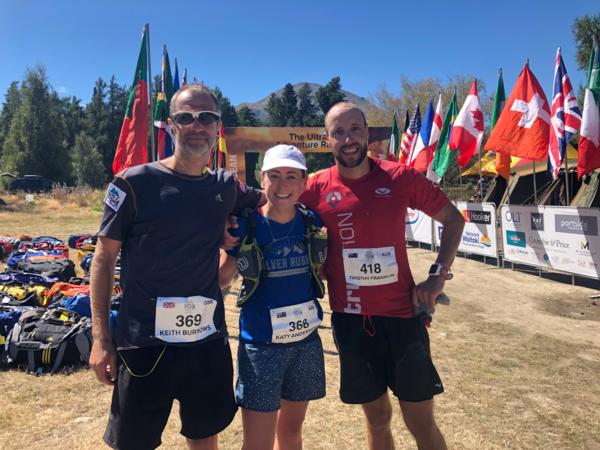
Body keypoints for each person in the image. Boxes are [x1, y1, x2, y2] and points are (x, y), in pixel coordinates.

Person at [89, 83, 263, 450]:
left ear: (218, 127)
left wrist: (233, 232)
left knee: (204, 435)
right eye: (186, 117)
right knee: (133, 442)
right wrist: (101, 338)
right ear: (171, 125)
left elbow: (276, 196)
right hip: (144, 342)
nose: (196, 125)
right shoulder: (134, 183)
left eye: (207, 117)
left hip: (205, 339)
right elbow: (103, 259)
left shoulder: (226, 186)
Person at [298, 102, 465, 450]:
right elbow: (275, 211)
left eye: (355, 129)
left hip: (403, 318)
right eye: (338, 132)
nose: (348, 139)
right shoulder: (314, 188)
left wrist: (437, 275)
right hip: (351, 321)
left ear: (366, 133)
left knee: (420, 421)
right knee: (376, 419)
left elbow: (453, 219)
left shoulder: (400, 177)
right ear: (328, 139)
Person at [220, 144, 327, 450]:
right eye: (275, 176)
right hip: (261, 348)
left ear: (304, 182)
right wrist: (221, 241)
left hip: (305, 343)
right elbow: (221, 278)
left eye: (292, 176)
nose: (283, 185)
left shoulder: (312, 222)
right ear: (261, 178)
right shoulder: (244, 225)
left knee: (291, 434)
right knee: (258, 444)